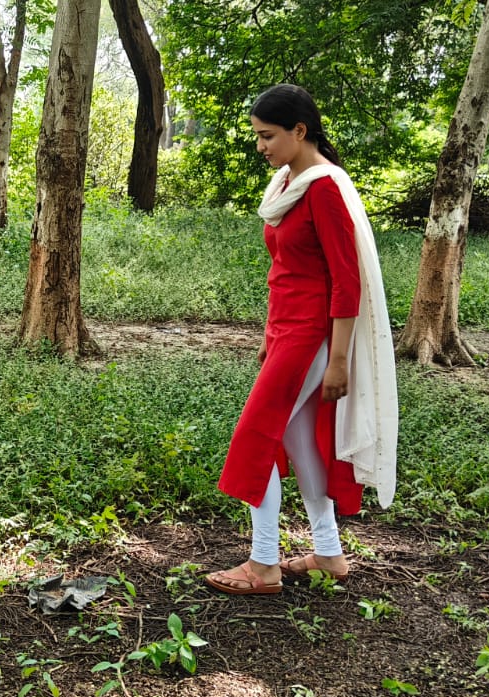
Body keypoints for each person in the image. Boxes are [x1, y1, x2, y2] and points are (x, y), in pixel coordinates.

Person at [205, 84, 399, 596]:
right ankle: (329, 552)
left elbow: (346, 282)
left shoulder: (324, 188)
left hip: (311, 336)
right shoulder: (287, 184)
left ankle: (263, 563)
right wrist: (268, 335)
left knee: (256, 439)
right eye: (257, 136)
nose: (260, 146)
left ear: (299, 130)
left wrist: (339, 361)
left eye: (268, 136)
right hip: (286, 330)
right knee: (296, 438)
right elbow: (285, 271)